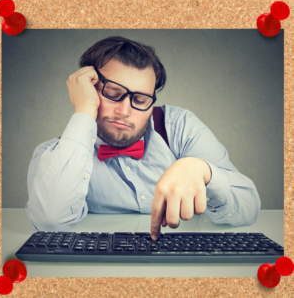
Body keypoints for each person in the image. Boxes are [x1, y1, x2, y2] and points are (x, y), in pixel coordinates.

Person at [26, 36, 261, 241]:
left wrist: (202, 170)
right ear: (87, 87)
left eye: (139, 100)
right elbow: (50, 222)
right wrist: (85, 107)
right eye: (113, 93)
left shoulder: (179, 127)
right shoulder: (55, 155)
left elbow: (248, 208)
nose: (125, 111)